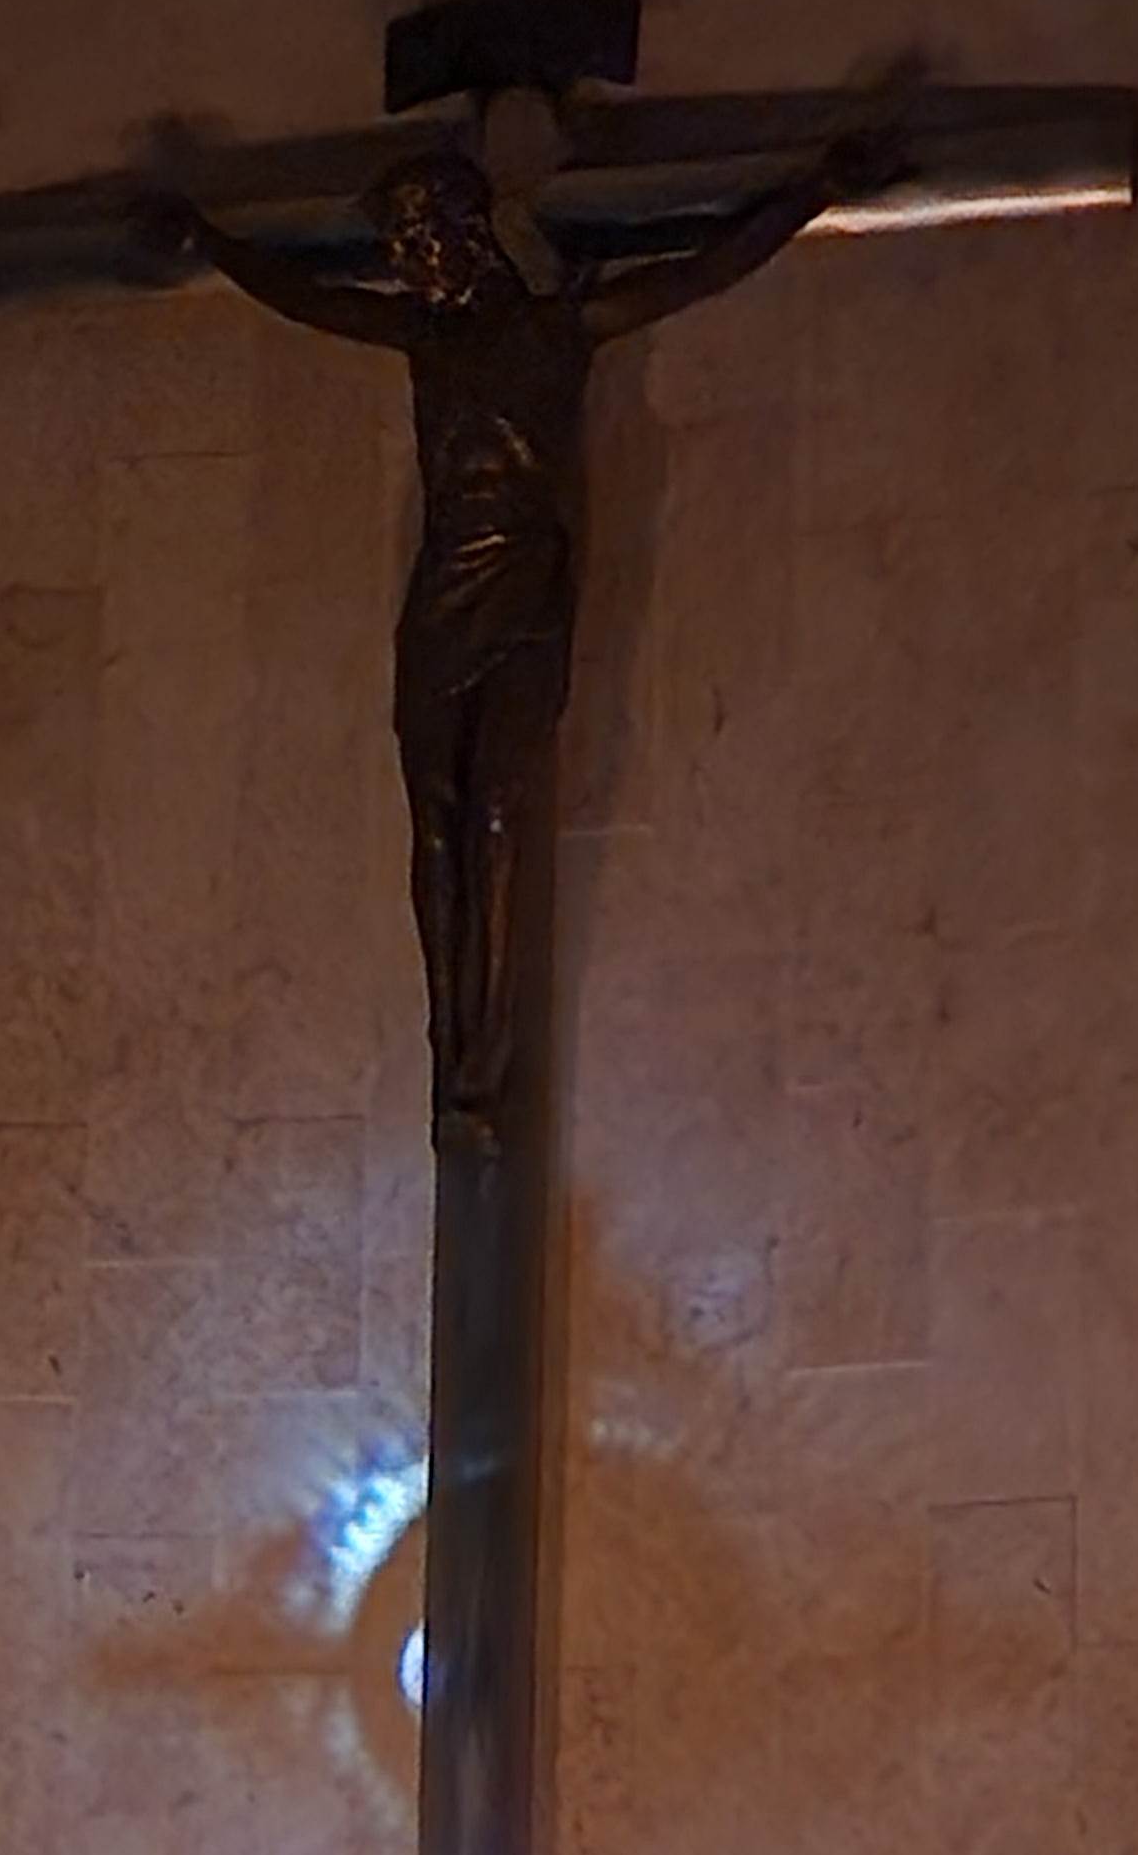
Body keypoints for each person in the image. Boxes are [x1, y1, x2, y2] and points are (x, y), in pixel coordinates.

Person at [144, 94, 907, 1143]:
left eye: (418, 241)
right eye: (399, 249)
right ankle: (448, 1052)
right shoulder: (424, 338)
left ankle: (484, 1054)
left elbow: (702, 270)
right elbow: (310, 299)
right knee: (435, 821)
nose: (406, 264)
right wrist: (212, 244)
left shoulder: (557, 331)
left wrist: (816, 190)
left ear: (466, 234)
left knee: (499, 810)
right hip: (441, 601)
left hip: (526, 600)